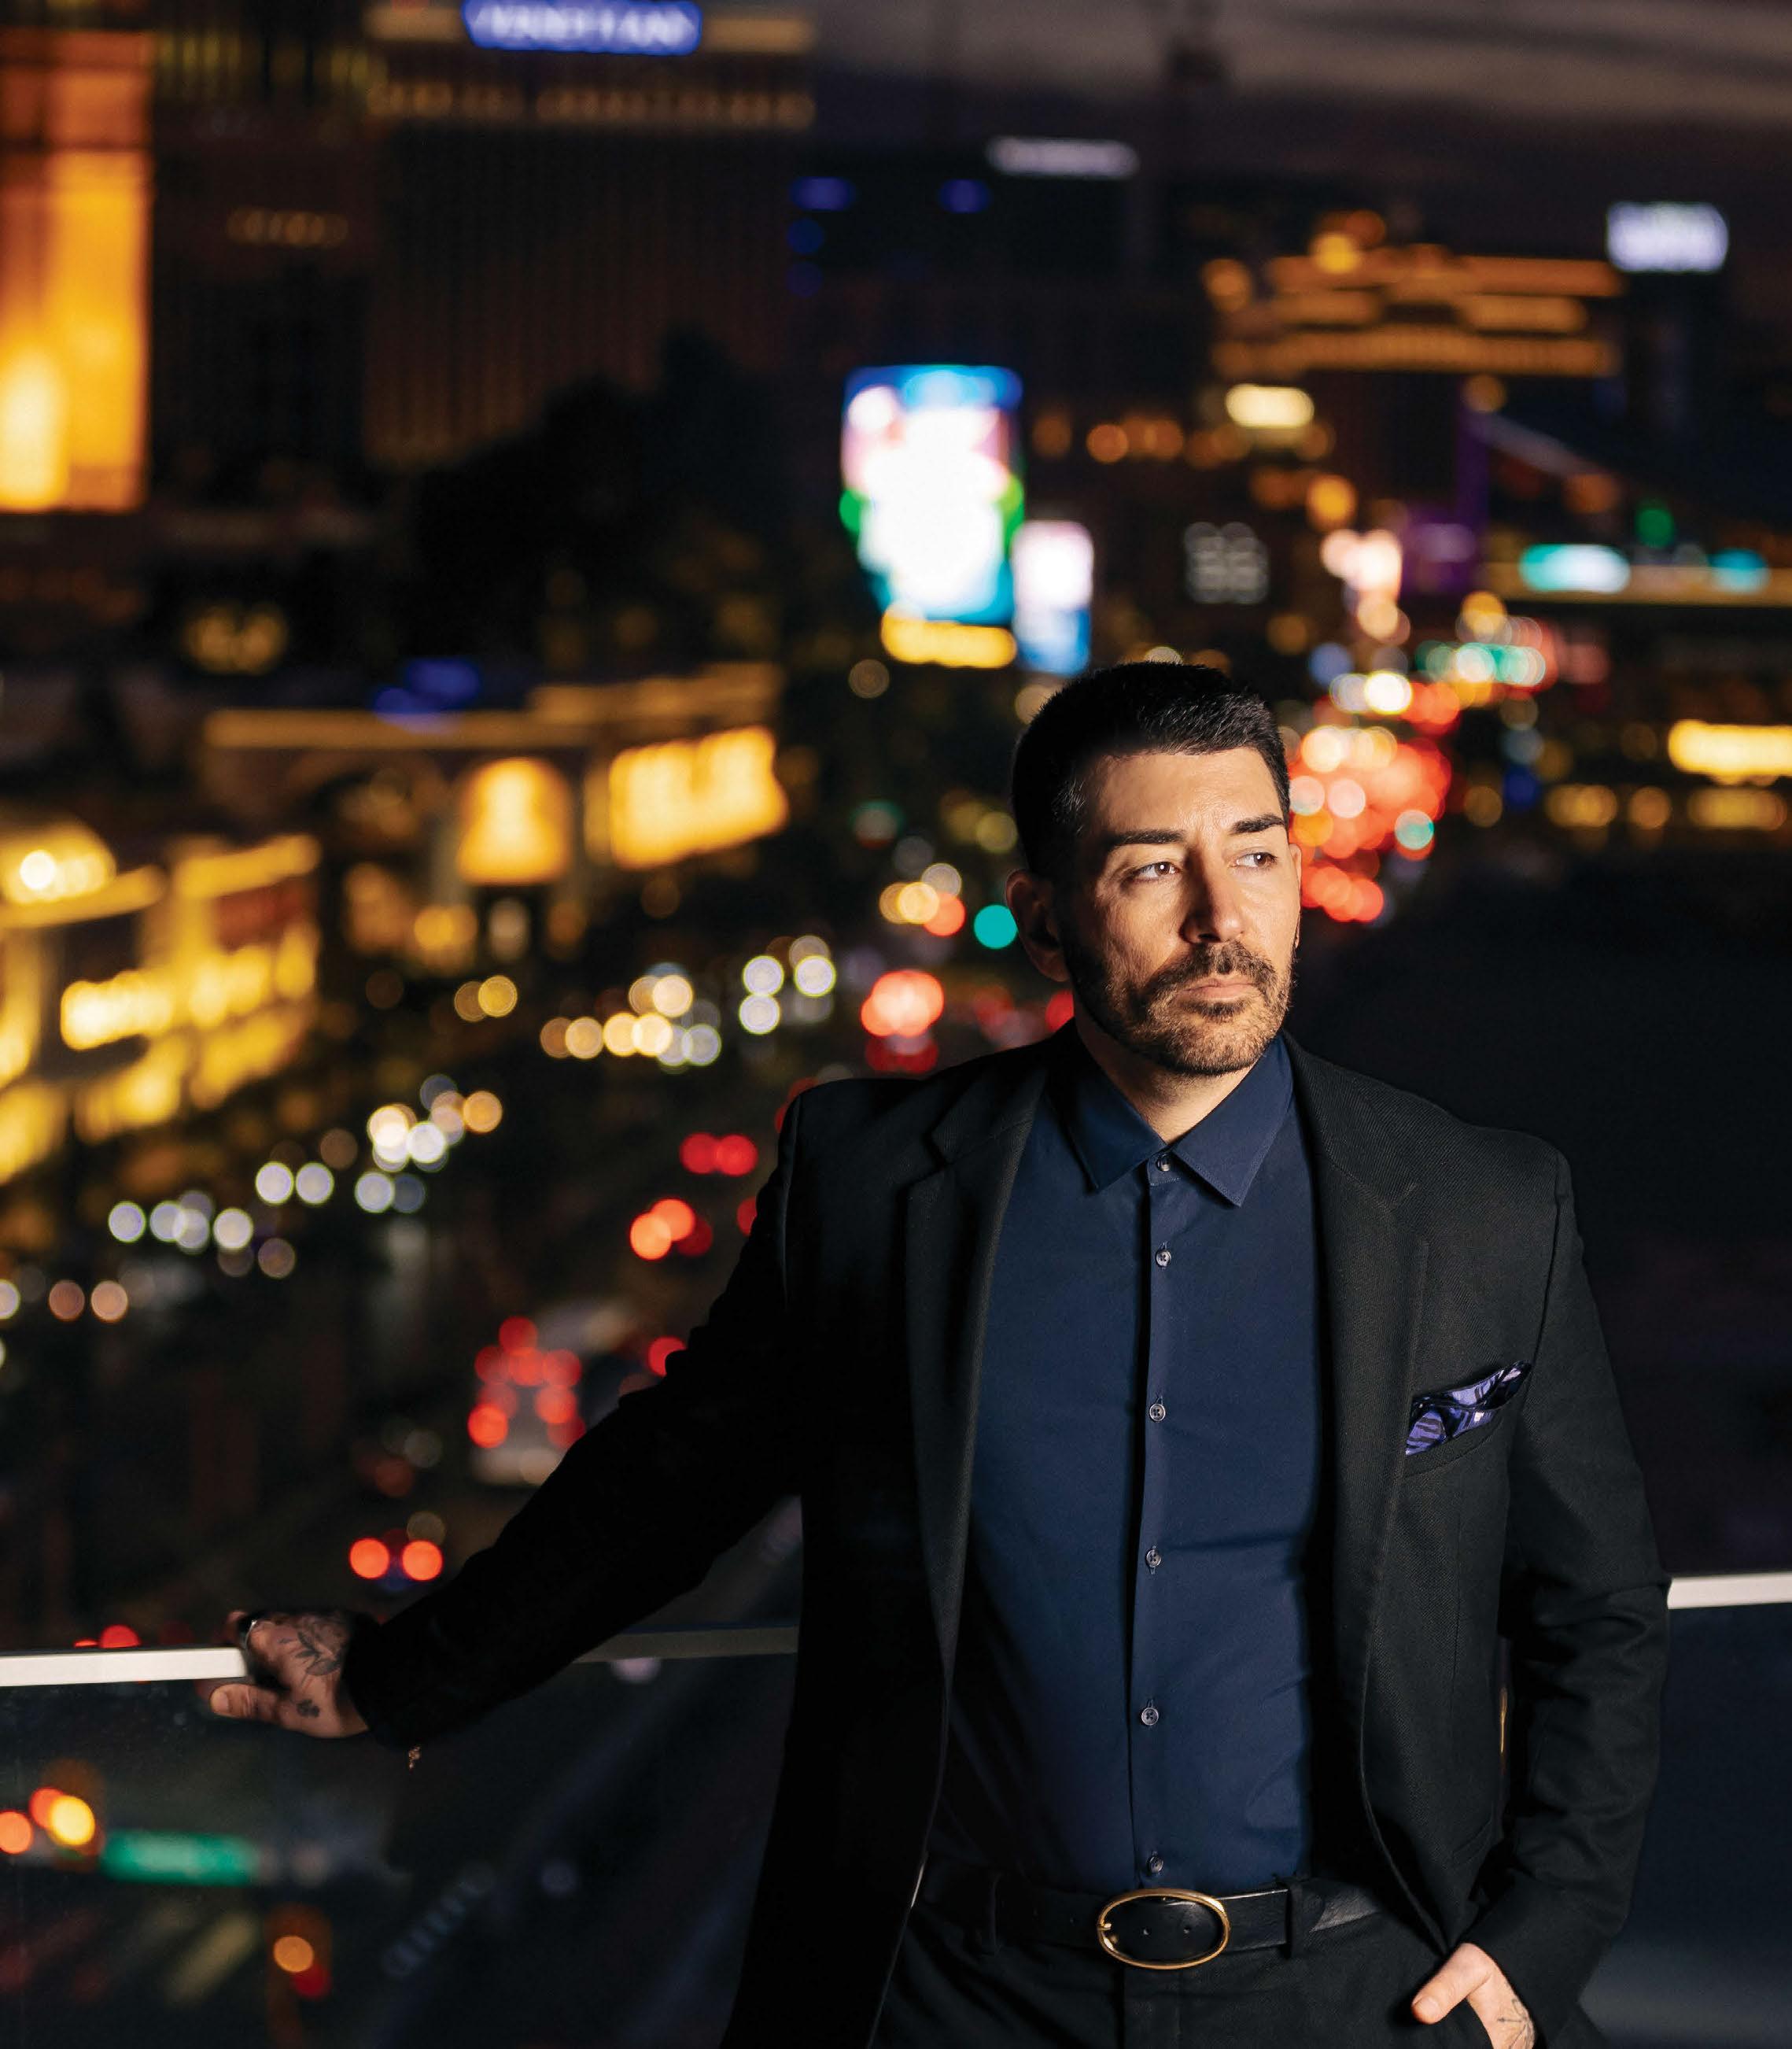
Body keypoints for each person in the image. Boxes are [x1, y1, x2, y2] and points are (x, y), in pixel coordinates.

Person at [209, 663, 1669, 2048]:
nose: (1220, 919)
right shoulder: (870, 1184)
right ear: (1044, 916)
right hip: (954, 1994)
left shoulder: (1481, 1206)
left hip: (1354, 1994)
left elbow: (1593, 1606)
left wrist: (1543, 1932)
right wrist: (399, 1682)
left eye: (1256, 855)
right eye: (1150, 869)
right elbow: (669, 1483)